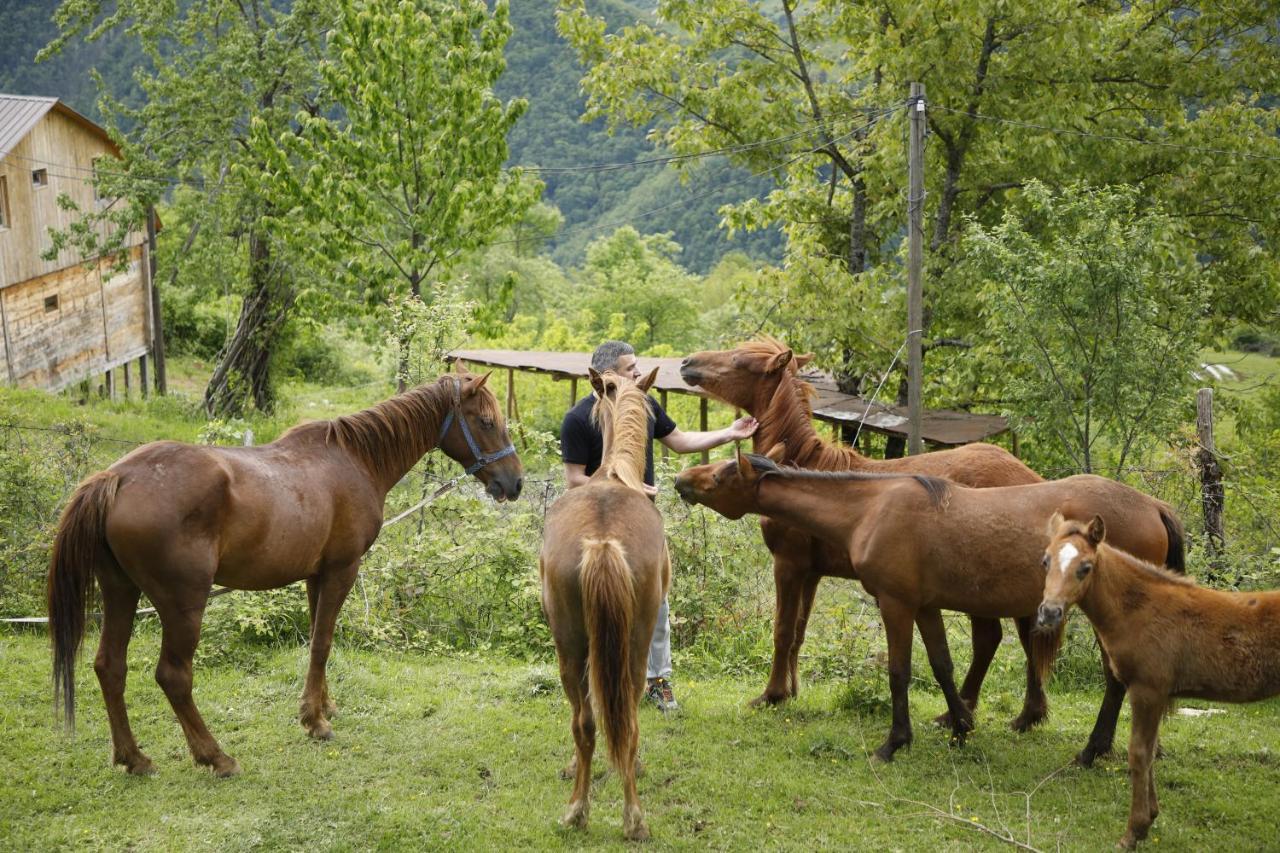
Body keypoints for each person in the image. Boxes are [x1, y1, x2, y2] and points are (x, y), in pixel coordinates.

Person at [560, 340, 757, 712]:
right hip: (597, 518)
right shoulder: (578, 418)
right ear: (608, 375)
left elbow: (680, 441)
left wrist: (729, 433)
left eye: (637, 366)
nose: (638, 372)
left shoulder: (645, 405)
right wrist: (623, 484)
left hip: (640, 521)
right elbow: (574, 479)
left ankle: (658, 681)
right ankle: (592, 677)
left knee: (657, 605)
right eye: (630, 367)